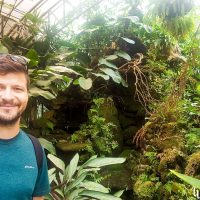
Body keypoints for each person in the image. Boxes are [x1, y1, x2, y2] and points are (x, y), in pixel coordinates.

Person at [0, 54, 50, 200]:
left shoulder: (35, 149)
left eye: (17, 88)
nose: (8, 96)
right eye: (0, 87)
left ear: (27, 95)